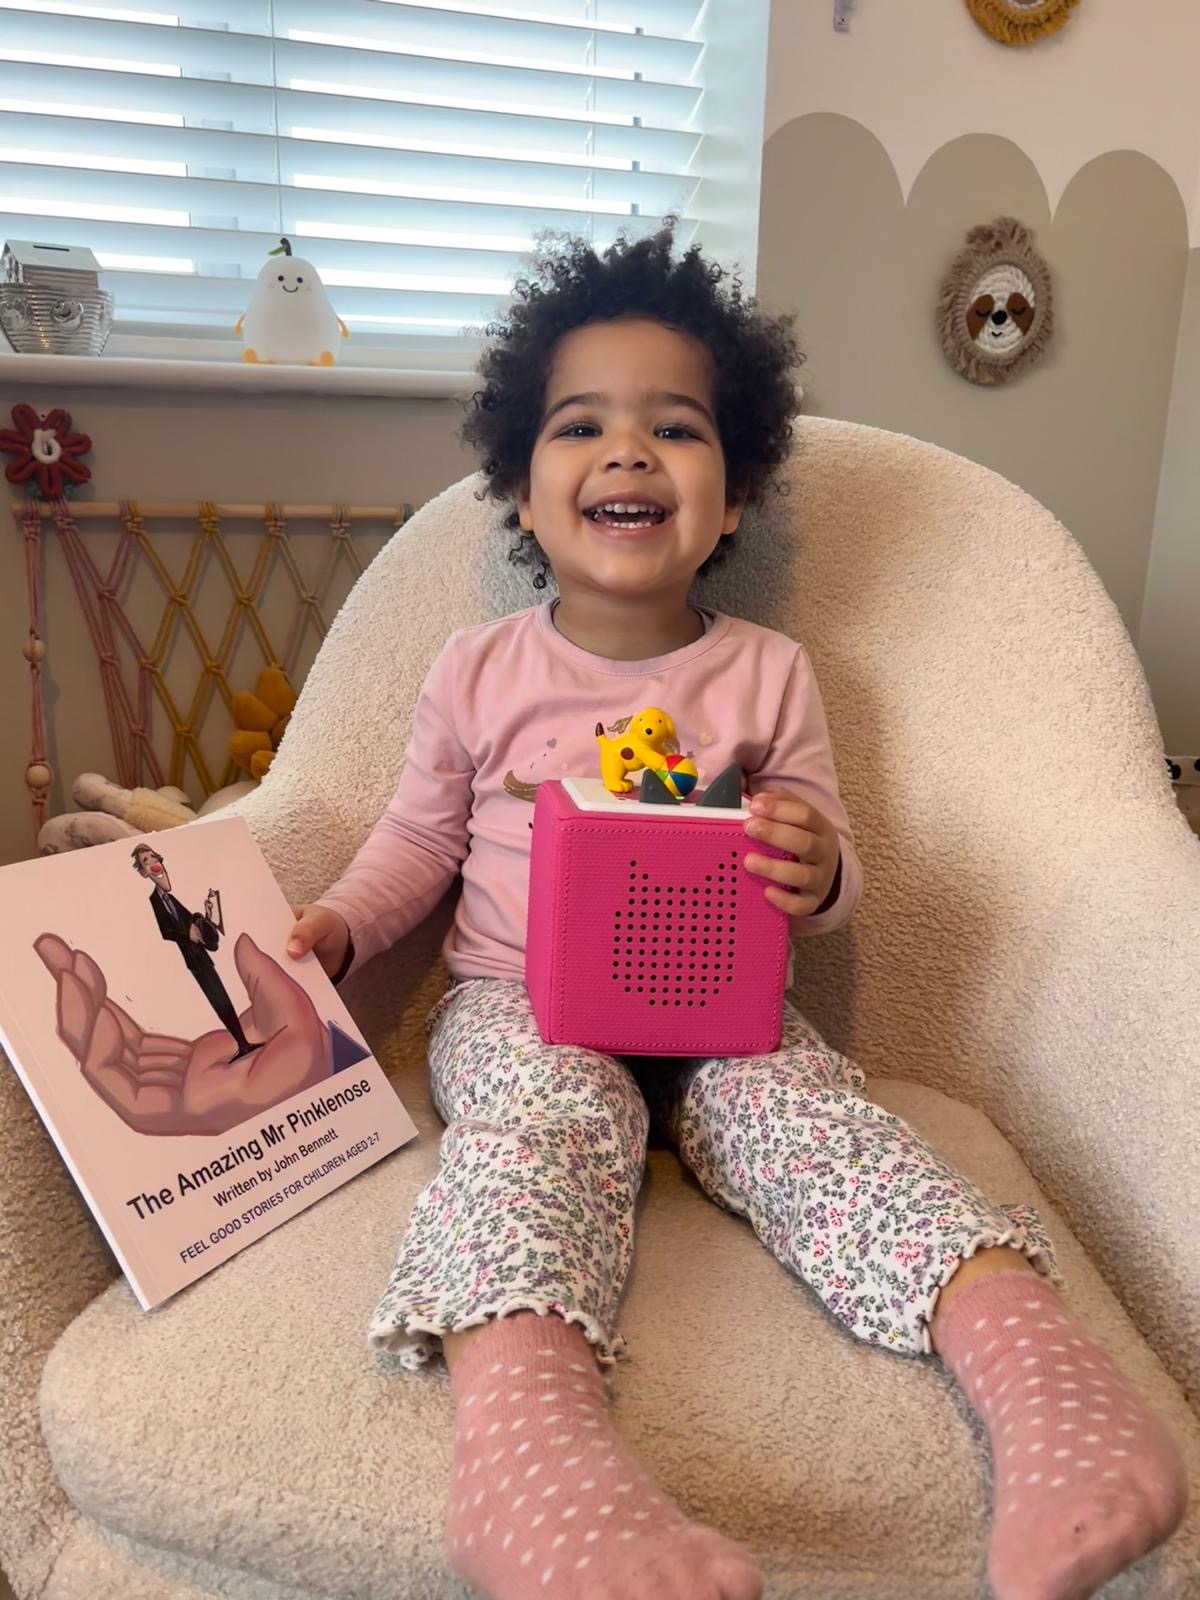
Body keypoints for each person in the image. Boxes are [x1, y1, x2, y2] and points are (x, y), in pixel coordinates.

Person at [286, 224, 1187, 1600]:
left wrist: (812, 865)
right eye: (582, 426)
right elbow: (417, 839)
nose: (630, 452)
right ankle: (529, 1454)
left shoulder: (766, 675)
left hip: (725, 1012)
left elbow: (833, 877)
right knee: (536, 1130)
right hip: (525, 1007)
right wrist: (341, 928)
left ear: (736, 494)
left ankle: (1038, 1371)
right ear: (523, 494)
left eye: (677, 429)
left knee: (819, 1126)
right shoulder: (479, 668)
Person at [133, 843, 261, 1063]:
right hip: (194, 961)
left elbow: (189, 919)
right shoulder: (155, 900)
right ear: (144, 873)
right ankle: (242, 1044)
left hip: (202, 957)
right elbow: (166, 931)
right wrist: (187, 935)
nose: (154, 864)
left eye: (155, 858)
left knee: (222, 998)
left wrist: (205, 916)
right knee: (218, 1000)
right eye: (147, 862)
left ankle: (243, 1043)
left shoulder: (170, 898)